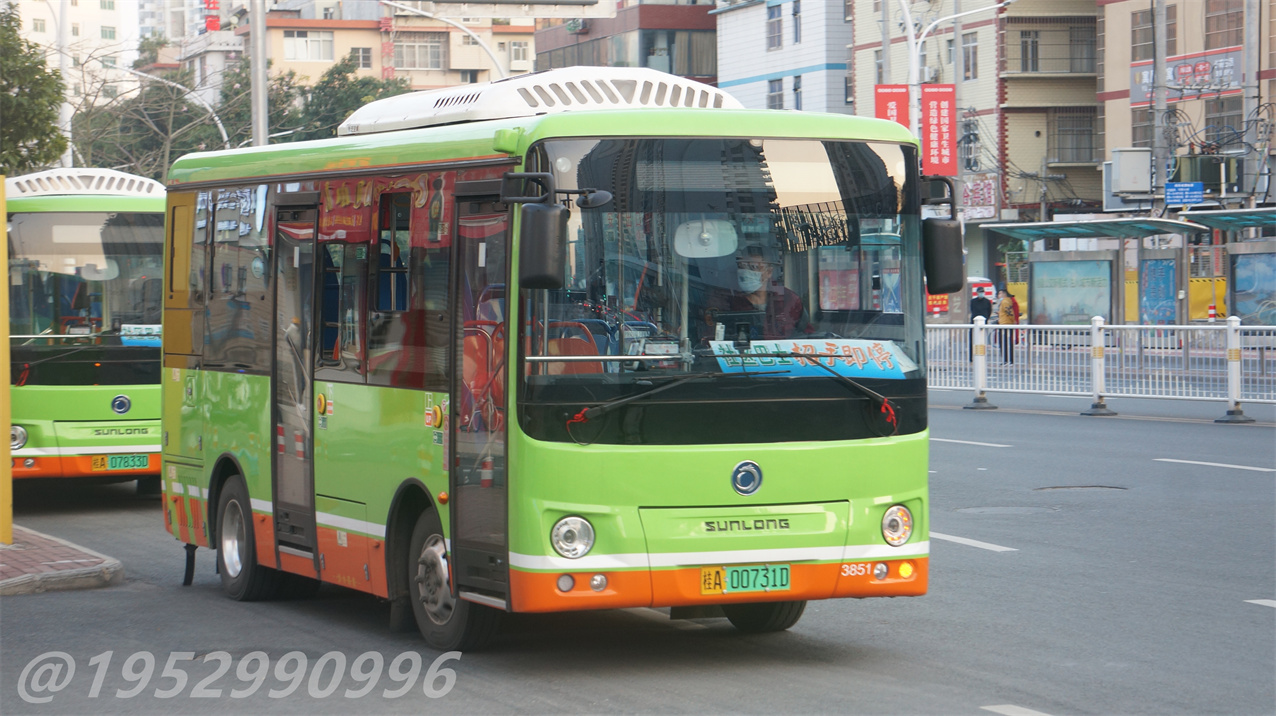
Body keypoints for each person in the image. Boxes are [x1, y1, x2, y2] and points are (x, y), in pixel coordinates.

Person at [705, 244, 810, 342]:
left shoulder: (789, 299)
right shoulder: (724, 298)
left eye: (753, 267)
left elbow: (808, 338)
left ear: (769, 272)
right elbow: (709, 339)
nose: (745, 272)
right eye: (742, 266)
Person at [996, 288, 1021, 363]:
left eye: (1000, 293)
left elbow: (1009, 313)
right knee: (1007, 343)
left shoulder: (1005, 302)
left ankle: (1007, 360)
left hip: (1005, 324)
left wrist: (1011, 321)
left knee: (1004, 343)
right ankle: (1008, 360)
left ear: (1004, 294)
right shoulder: (1006, 301)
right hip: (1006, 324)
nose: (999, 295)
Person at [969, 287, 993, 361]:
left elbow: (989, 311)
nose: (981, 293)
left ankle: (982, 356)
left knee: (982, 340)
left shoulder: (987, 302)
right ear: (977, 293)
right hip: (974, 322)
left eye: (982, 292)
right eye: (980, 292)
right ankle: (971, 357)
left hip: (983, 323)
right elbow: (972, 310)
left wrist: (986, 319)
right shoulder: (973, 301)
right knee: (972, 340)